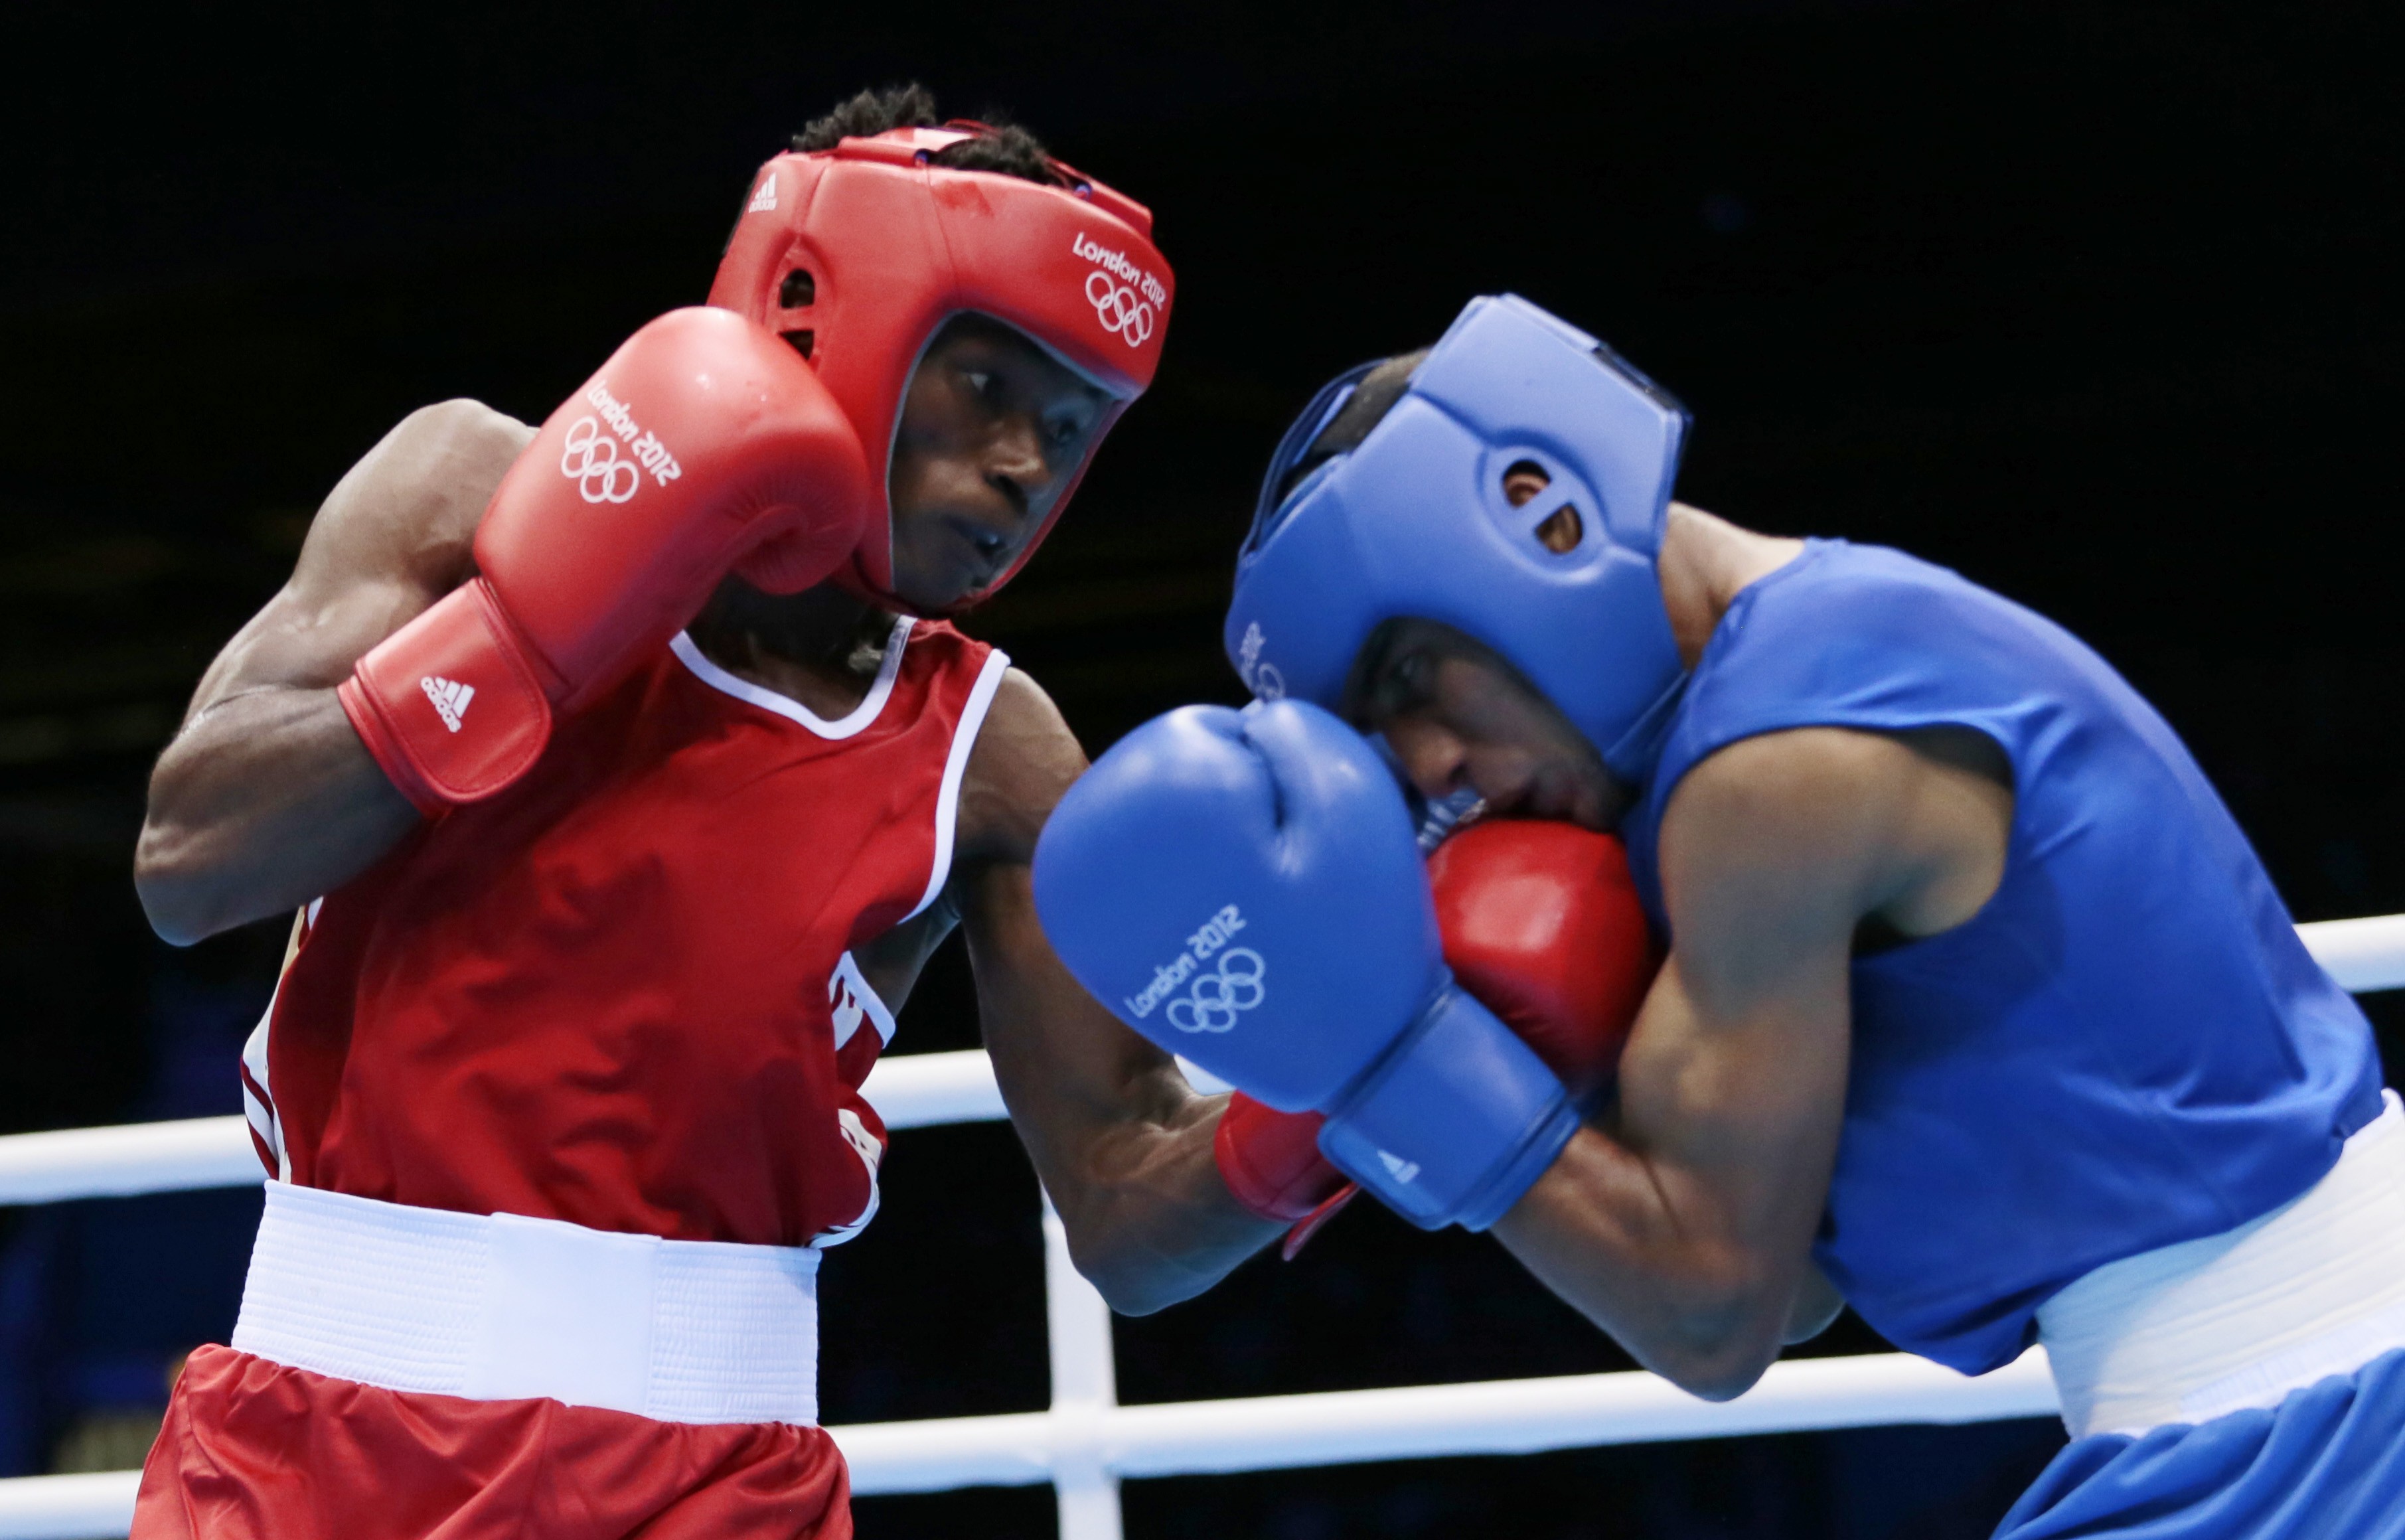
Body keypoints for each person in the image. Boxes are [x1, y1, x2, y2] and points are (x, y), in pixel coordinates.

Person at [1033, 293, 2405, 1538]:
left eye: (1410, 677)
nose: (1434, 769)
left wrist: (1394, 1053)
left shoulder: (1779, 765)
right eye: (1384, 749)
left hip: (2303, 1410)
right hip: (2277, 1400)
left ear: (1536, 512)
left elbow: (1714, 1310)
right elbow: (1795, 1280)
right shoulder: (1780, 687)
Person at [127, 86, 1280, 1540]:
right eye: (989, 387)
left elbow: (1123, 1208)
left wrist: (1329, 1107)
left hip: (707, 1488)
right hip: (309, 1450)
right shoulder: (468, 493)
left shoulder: (989, 751)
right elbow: (188, 862)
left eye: (1073, 426)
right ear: (827, 308)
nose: (1024, 468)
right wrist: (523, 634)